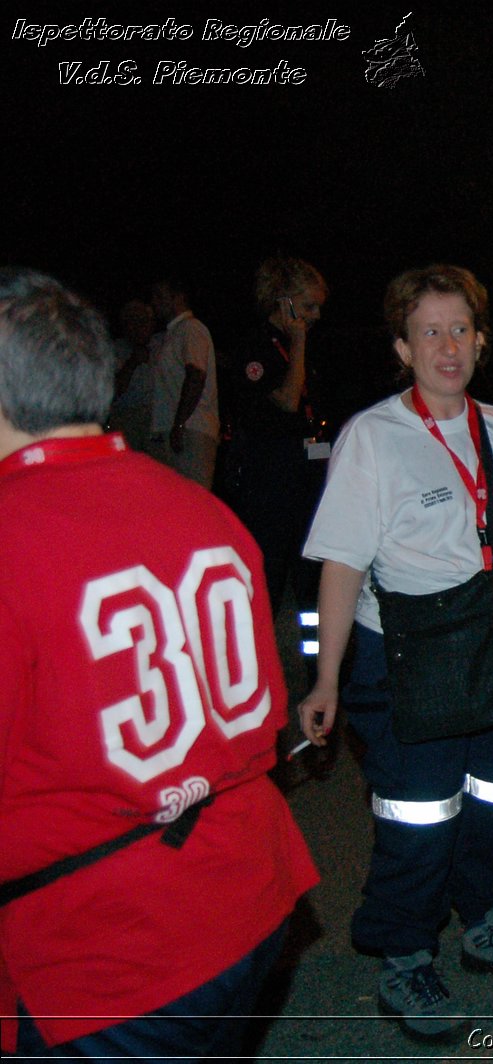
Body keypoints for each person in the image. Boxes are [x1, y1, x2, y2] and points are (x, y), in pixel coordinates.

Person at [0, 269, 318, 1059]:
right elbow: (262, 722)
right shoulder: (200, 506)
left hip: (111, 956)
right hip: (246, 897)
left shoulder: (13, 534)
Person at [298, 264, 493, 1041]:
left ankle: (486, 919)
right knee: (419, 817)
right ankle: (405, 954)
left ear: (481, 339)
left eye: (461, 330)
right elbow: (341, 562)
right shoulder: (372, 437)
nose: (449, 346)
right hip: (410, 654)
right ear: (403, 349)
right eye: (430, 332)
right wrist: (327, 678)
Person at [221, 257, 331, 627]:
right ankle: (262, 663)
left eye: (318, 307)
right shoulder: (257, 348)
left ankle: (316, 668)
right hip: (269, 477)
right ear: (282, 301)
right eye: (307, 306)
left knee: (310, 579)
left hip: (305, 473)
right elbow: (287, 401)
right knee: (269, 572)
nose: (314, 315)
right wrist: (298, 344)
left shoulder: (299, 348)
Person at [148, 277, 220, 488]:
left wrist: (179, 423)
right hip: (172, 431)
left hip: (191, 431)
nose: (155, 303)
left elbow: (196, 375)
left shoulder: (191, 328)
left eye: (160, 297)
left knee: (193, 499)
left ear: (177, 298)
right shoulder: (169, 335)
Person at [106, 298, 158, 452]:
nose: (138, 327)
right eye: (132, 322)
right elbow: (113, 391)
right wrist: (132, 363)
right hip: (126, 417)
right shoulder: (116, 350)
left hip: (156, 419)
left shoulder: (161, 345)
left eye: (143, 321)